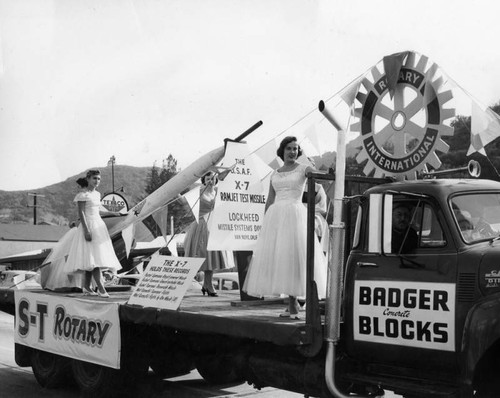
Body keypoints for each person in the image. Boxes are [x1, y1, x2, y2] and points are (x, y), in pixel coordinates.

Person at [243, 136, 327, 319]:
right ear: (282, 151)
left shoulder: (304, 168)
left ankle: (297, 303)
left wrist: (329, 171)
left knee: (295, 257)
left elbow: (319, 178)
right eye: (289, 148)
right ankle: (291, 303)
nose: (292, 152)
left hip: (295, 214)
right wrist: (265, 223)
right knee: (281, 259)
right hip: (276, 217)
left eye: (296, 149)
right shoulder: (275, 173)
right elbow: (270, 200)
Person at [40, 170, 122, 297]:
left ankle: (87, 287)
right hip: (88, 225)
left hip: (98, 225)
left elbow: (98, 210)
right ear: (88, 179)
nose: (97, 181)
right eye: (94, 178)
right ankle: (101, 288)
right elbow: (81, 213)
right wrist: (86, 230)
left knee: (93, 258)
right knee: (94, 259)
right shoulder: (82, 195)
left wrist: (112, 213)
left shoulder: (97, 194)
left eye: (99, 179)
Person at [183, 171, 226, 297]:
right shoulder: (198, 191)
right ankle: (201, 285)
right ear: (204, 180)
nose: (210, 180)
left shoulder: (217, 191)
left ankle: (208, 284)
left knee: (211, 257)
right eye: (208, 178)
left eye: (213, 178)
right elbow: (184, 201)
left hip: (214, 225)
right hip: (201, 225)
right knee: (200, 255)